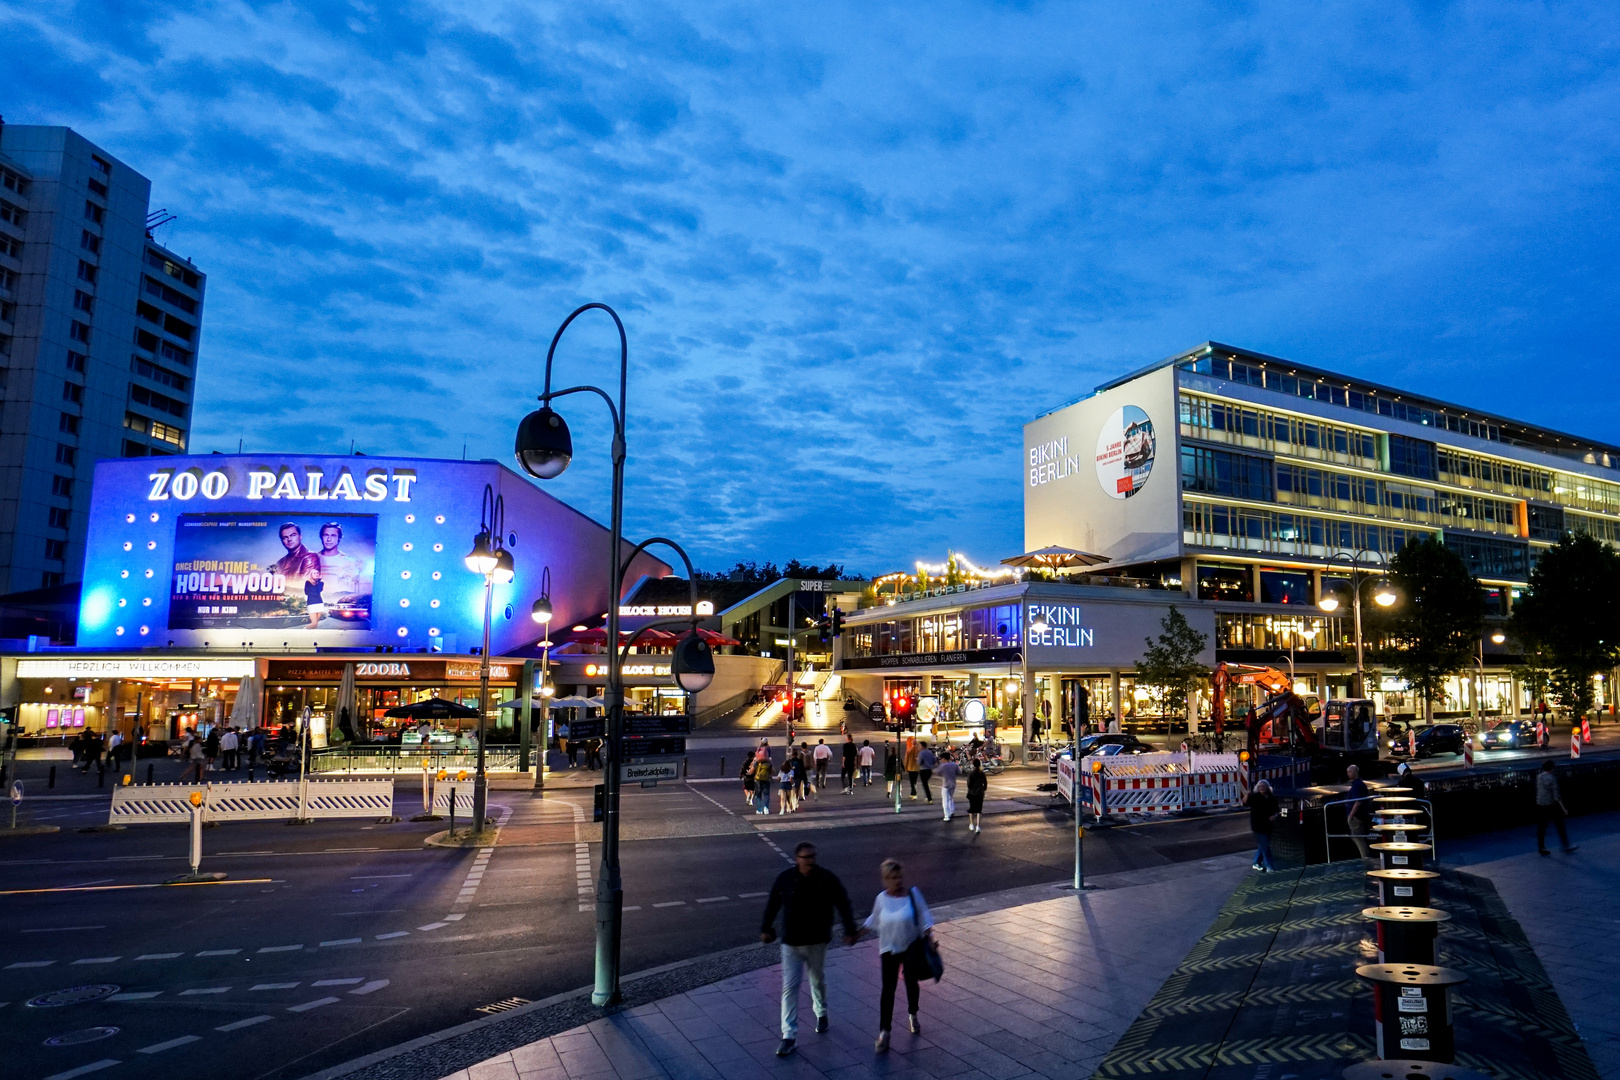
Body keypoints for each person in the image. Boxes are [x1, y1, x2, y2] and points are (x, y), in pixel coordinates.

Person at [760, 842, 858, 1058]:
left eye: (813, 856)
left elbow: (843, 902)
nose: (811, 861)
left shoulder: (825, 878)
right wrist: (765, 928)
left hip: (816, 942)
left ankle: (821, 1012)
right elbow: (772, 904)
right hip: (791, 943)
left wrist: (850, 929)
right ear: (797, 859)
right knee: (790, 987)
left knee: (817, 980)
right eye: (806, 857)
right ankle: (789, 1035)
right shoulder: (786, 879)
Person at [863, 859, 935, 1051]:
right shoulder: (881, 898)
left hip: (911, 948)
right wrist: (856, 934)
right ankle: (884, 1032)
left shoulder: (913, 894)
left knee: (911, 984)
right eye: (892, 878)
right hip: (888, 948)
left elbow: (924, 917)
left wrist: (929, 939)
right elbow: (874, 919)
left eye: (899, 876)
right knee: (888, 990)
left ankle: (913, 1013)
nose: (897, 881)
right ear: (885, 879)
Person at [1535, 760, 1577, 855]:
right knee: (1560, 825)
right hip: (1551, 805)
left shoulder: (1539, 777)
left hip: (1540, 804)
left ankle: (1541, 847)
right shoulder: (1552, 778)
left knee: (1542, 827)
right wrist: (1563, 808)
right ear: (1552, 768)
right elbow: (1556, 796)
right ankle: (1565, 845)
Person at [1245, 778, 1279, 872]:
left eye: (1264, 786)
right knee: (1265, 845)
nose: (1262, 788)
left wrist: (1274, 816)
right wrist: (1247, 795)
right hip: (1258, 826)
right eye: (1260, 786)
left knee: (1263, 845)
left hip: (1268, 825)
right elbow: (1245, 803)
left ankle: (1256, 862)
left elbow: (1277, 810)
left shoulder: (1271, 797)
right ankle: (1269, 865)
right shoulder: (1255, 797)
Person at [1344, 764, 1370, 858]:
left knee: (1359, 838)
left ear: (1355, 772)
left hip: (1356, 817)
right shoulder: (1360, 784)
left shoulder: (1357, 786)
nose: (1348, 774)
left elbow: (1358, 802)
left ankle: (1366, 858)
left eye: (1349, 772)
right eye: (1347, 772)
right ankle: (1365, 857)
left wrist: (1351, 815)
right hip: (1359, 815)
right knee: (1355, 837)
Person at [966, 759, 988, 833]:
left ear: (973, 765)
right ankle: (978, 826)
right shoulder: (982, 773)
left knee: (971, 809)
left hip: (972, 793)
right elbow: (985, 783)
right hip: (980, 793)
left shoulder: (971, 774)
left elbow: (969, 784)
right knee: (979, 810)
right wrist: (983, 789)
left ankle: (971, 824)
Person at [938, 750, 959, 822]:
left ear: (944, 758)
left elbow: (938, 772)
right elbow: (959, 772)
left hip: (946, 784)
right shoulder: (954, 765)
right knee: (951, 798)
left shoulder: (943, 766)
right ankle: (952, 811)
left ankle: (947, 815)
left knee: (945, 800)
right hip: (953, 783)